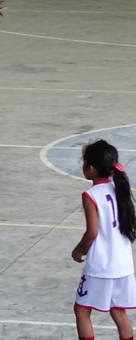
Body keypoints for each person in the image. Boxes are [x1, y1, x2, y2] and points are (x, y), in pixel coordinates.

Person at [72, 139, 136, 340]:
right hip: (123, 264)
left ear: (90, 168)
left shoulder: (91, 194)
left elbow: (92, 232)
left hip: (101, 265)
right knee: (118, 310)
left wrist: (78, 251)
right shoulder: (120, 189)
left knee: (81, 310)